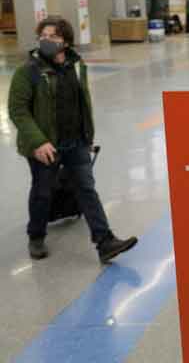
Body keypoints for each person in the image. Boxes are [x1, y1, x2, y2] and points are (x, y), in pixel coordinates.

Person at [8, 17, 138, 263]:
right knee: (42, 192)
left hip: (75, 142)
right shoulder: (28, 72)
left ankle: (105, 242)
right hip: (44, 146)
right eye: (43, 35)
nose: (47, 40)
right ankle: (36, 236)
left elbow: (82, 104)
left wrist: (87, 136)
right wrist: (38, 142)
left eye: (53, 36)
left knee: (86, 189)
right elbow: (18, 110)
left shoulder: (78, 66)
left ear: (66, 42)